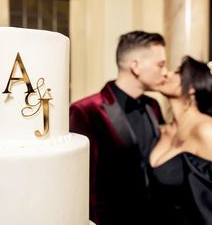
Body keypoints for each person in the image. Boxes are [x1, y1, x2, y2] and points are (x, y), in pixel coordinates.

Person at [69, 30, 168, 225]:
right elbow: (79, 180)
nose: (165, 72)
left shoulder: (153, 105)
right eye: (160, 65)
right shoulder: (86, 110)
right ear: (136, 66)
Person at [149, 56, 212, 225]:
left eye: (177, 72)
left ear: (192, 87)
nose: (167, 74)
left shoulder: (206, 130)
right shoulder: (162, 130)